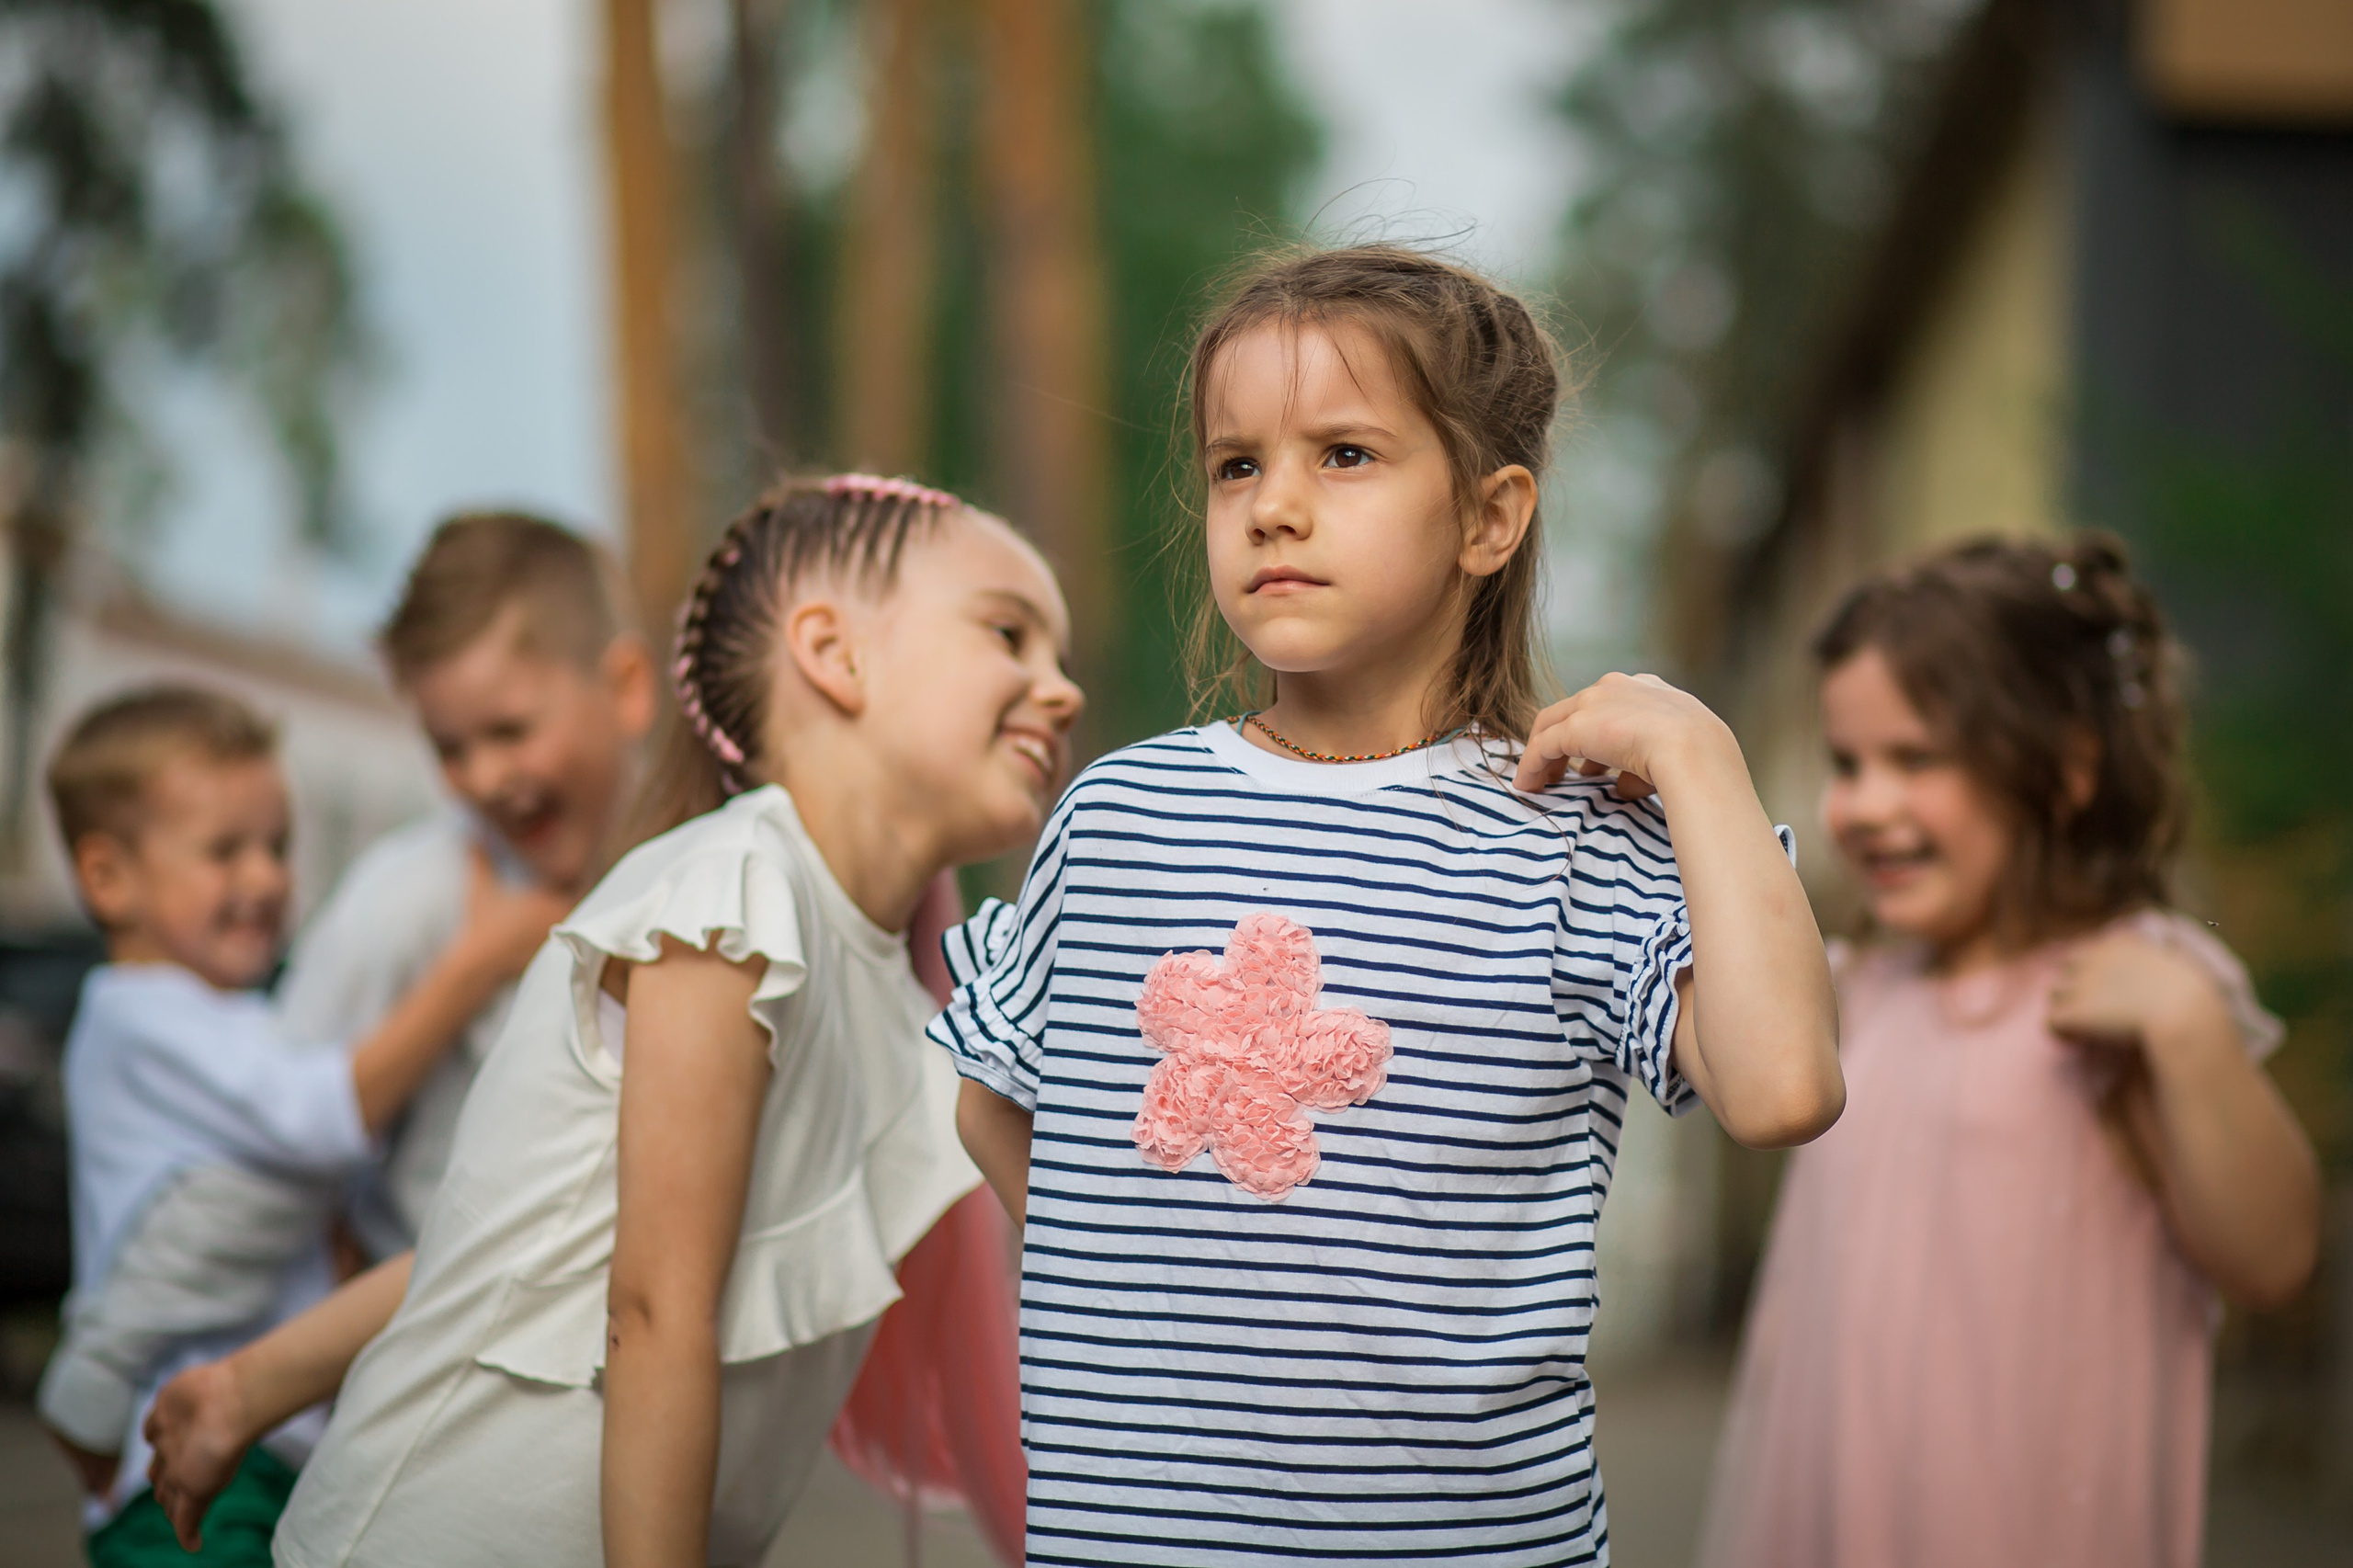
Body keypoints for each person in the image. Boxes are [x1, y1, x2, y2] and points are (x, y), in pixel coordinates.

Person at [933, 244, 1846, 1565]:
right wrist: (1174, 1326)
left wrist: (1700, 757)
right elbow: (1000, 1104)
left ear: (1490, 516)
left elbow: (1782, 1089)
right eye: (1237, 462)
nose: (1274, 507)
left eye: (1345, 455)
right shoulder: (1118, 817)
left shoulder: (1575, 837)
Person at [144, 475, 1071, 1566]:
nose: (1058, 688)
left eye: (1059, 656)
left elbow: (535, 1232)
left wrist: (248, 1384)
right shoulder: (732, 896)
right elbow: (653, 1308)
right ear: (834, 652)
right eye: (1011, 632)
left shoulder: (908, 1008)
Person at [1694, 537, 2322, 1568]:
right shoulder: (1852, 990)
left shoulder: (2139, 991)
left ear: (2064, 770)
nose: (1864, 805)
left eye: (1916, 757)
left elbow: (2274, 1257)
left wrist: (2189, 1033)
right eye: (1847, 762)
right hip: (1832, 1514)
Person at [37, 686, 563, 1567]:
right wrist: (473, 965)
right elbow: (324, 1119)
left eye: (278, 847)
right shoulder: (138, 1019)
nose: (269, 880)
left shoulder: (228, 1020)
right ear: (107, 877)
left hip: (264, 1449)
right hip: (173, 1462)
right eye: (225, 852)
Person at [278, 510, 658, 1260]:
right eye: (450, 748)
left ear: (627, 689)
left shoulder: (704, 877)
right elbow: (280, 1132)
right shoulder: (407, 901)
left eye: (511, 732)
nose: (483, 779)